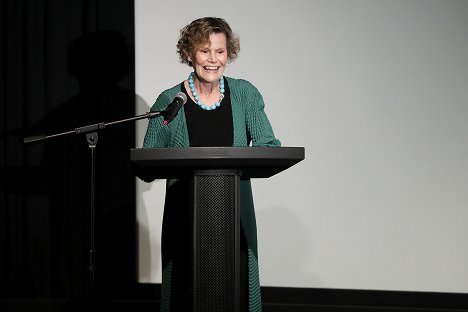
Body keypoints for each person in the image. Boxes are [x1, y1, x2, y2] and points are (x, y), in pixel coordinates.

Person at [143, 17, 280, 312]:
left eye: (220, 51)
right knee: (184, 293)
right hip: (184, 216)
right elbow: (147, 162)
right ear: (190, 53)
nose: (212, 60)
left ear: (228, 54)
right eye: (205, 51)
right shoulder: (170, 100)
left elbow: (270, 146)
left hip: (235, 215)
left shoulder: (245, 94)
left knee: (238, 293)